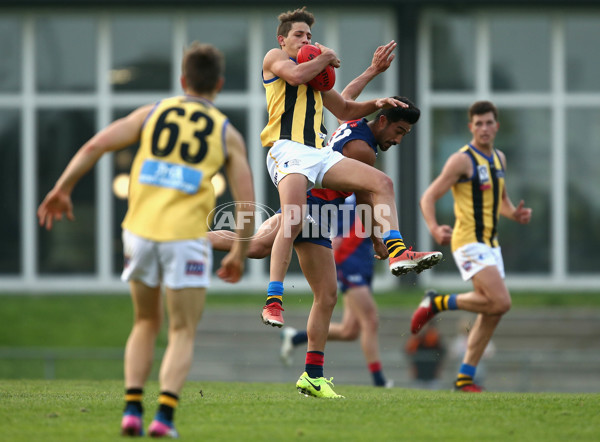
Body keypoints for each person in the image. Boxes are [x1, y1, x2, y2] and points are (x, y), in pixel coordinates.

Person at [37, 42, 255, 436]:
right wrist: (238, 251)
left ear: (183, 80)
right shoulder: (227, 133)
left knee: (144, 320)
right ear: (219, 84)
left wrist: (62, 188)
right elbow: (246, 200)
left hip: (138, 232)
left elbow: (95, 145)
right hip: (186, 237)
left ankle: (132, 410)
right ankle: (164, 417)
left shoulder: (152, 113)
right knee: (182, 330)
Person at [209, 41, 422, 395]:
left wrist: (371, 71)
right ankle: (292, 330)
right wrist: (378, 240)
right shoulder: (362, 150)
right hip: (315, 203)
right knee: (320, 290)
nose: (398, 140)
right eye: (399, 132)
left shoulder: (353, 127)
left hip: (316, 203)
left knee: (269, 252)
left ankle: (312, 375)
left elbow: (348, 95)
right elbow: (368, 196)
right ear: (382, 122)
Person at [260, 6, 442, 334]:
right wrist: (325, 55)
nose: (305, 40)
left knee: (381, 182)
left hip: (316, 155)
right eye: (299, 35)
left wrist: (378, 102)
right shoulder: (275, 58)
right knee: (271, 234)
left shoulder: (315, 77)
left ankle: (398, 252)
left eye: (310, 36)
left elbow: (344, 106)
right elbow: (297, 75)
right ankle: (273, 299)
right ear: (282, 40)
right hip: (286, 149)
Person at [410, 100, 532, 392]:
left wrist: (513, 212)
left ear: (496, 126)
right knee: (502, 301)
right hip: (468, 241)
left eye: (489, 122)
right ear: (471, 127)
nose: (484, 128)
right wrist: (433, 227)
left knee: (492, 312)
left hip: (491, 245)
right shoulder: (461, 160)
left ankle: (465, 378)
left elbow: (500, 201)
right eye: (478, 123)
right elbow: (427, 196)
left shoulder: (499, 159)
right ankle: (437, 303)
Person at [404, 324, 445, 390]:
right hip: (419, 373)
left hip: (432, 373)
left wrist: (439, 368)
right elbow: (408, 351)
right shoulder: (416, 339)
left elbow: (442, 353)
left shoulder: (434, 337)